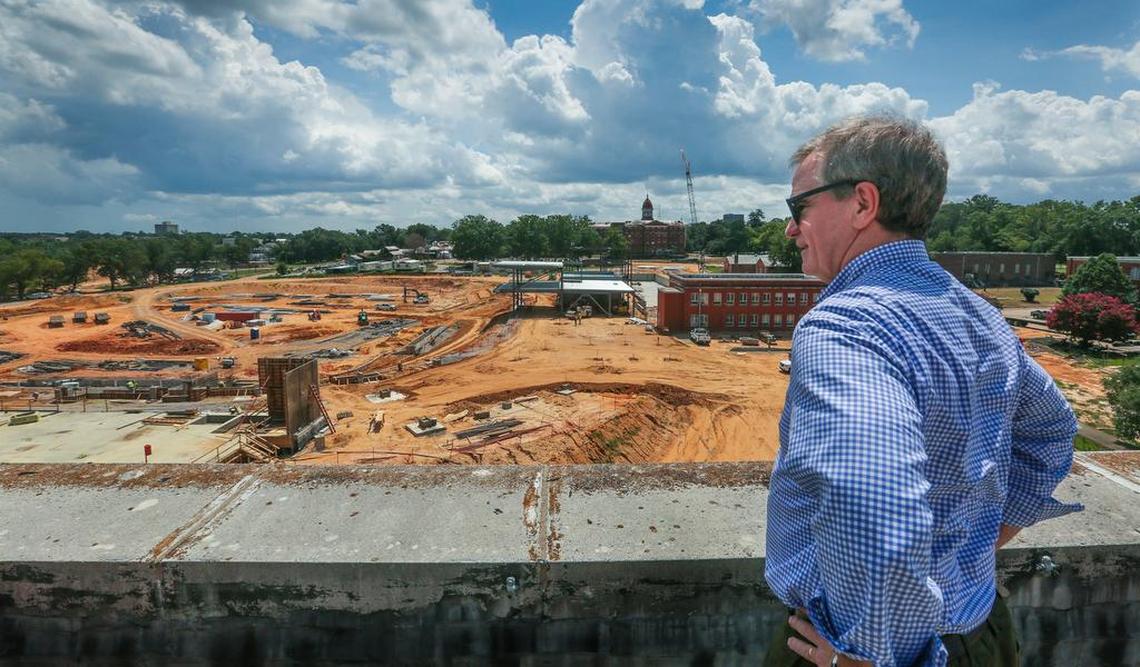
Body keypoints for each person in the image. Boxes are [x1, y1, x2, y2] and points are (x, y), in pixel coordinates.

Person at [763, 115, 1078, 666]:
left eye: (800, 207)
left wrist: (873, 655)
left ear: (863, 204)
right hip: (980, 633)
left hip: (859, 648)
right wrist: (969, 547)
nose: (790, 228)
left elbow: (872, 494)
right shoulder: (980, 314)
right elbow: (1051, 434)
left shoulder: (845, 326)